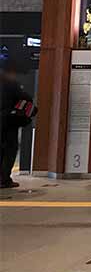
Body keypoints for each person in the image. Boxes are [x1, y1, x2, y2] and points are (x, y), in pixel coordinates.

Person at [0, 61, 36, 189]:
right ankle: (4, 179)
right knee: (9, 150)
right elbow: (26, 98)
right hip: (8, 122)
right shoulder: (11, 84)